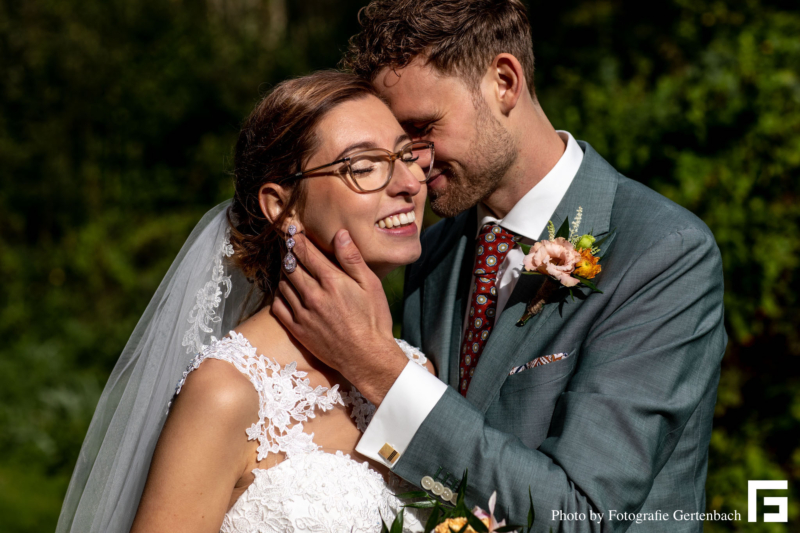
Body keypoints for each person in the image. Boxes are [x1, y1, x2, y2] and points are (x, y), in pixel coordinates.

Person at [271, 1, 728, 531]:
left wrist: (380, 371)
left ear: (504, 82)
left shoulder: (664, 252)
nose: (413, 163)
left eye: (421, 129)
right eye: (398, 142)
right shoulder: (432, 254)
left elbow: (579, 514)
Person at [57, 71, 433, 532]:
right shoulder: (227, 393)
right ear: (281, 205)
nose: (410, 184)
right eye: (364, 167)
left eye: (407, 155)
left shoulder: (416, 373)